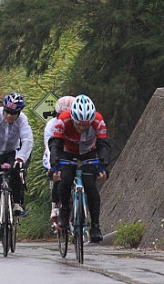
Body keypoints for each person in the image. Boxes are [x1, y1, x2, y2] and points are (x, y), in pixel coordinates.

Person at [49, 94, 110, 243]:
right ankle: (64, 211)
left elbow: (104, 146)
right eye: (79, 125)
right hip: (67, 153)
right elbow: (55, 145)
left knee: (90, 186)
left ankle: (95, 226)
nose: (82, 128)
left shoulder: (98, 120)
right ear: (73, 119)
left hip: (89, 152)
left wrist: (103, 166)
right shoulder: (63, 120)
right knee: (65, 180)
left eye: (86, 125)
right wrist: (55, 165)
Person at [0, 92, 33, 246]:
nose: (10, 116)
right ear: (3, 109)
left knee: (17, 171)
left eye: (14, 113)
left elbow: (27, 140)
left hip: (12, 151)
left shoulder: (22, 120)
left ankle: (17, 203)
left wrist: (21, 158)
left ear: (19, 113)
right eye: (8, 112)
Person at [43, 95, 74, 222]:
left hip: (72, 151)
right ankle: (55, 205)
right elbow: (50, 147)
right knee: (58, 175)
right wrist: (53, 167)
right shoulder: (51, 125)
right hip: (56, 151)